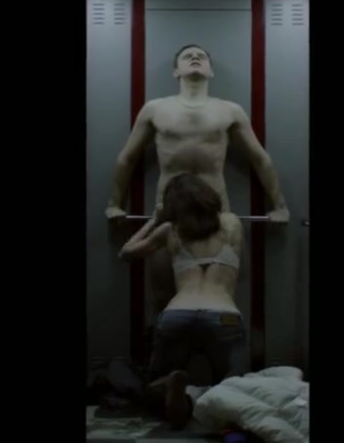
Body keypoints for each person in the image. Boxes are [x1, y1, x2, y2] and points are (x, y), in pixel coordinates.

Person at [106, 43, 289, 315]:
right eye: (187, 56)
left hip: (216, 213)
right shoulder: (155, 109)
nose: (195, 57)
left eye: (201, 56)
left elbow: (260, 159)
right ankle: (165, 339)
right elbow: (126, 159)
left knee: (221, 290)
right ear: (176, 71)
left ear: (211, 71)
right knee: (162, 295)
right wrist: (114, 203)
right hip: (169, 214)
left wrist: (279, 206)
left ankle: (219, 338)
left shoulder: (230, 111)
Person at [118, 173, 247, 429]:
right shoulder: (232, 224)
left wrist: (154, 220)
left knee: (153, 386)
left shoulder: (171, 230)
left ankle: (173, 389)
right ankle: (217, 408)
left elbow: (126, 252)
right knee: (235, 386)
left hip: (177, 315)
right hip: (224, 317)